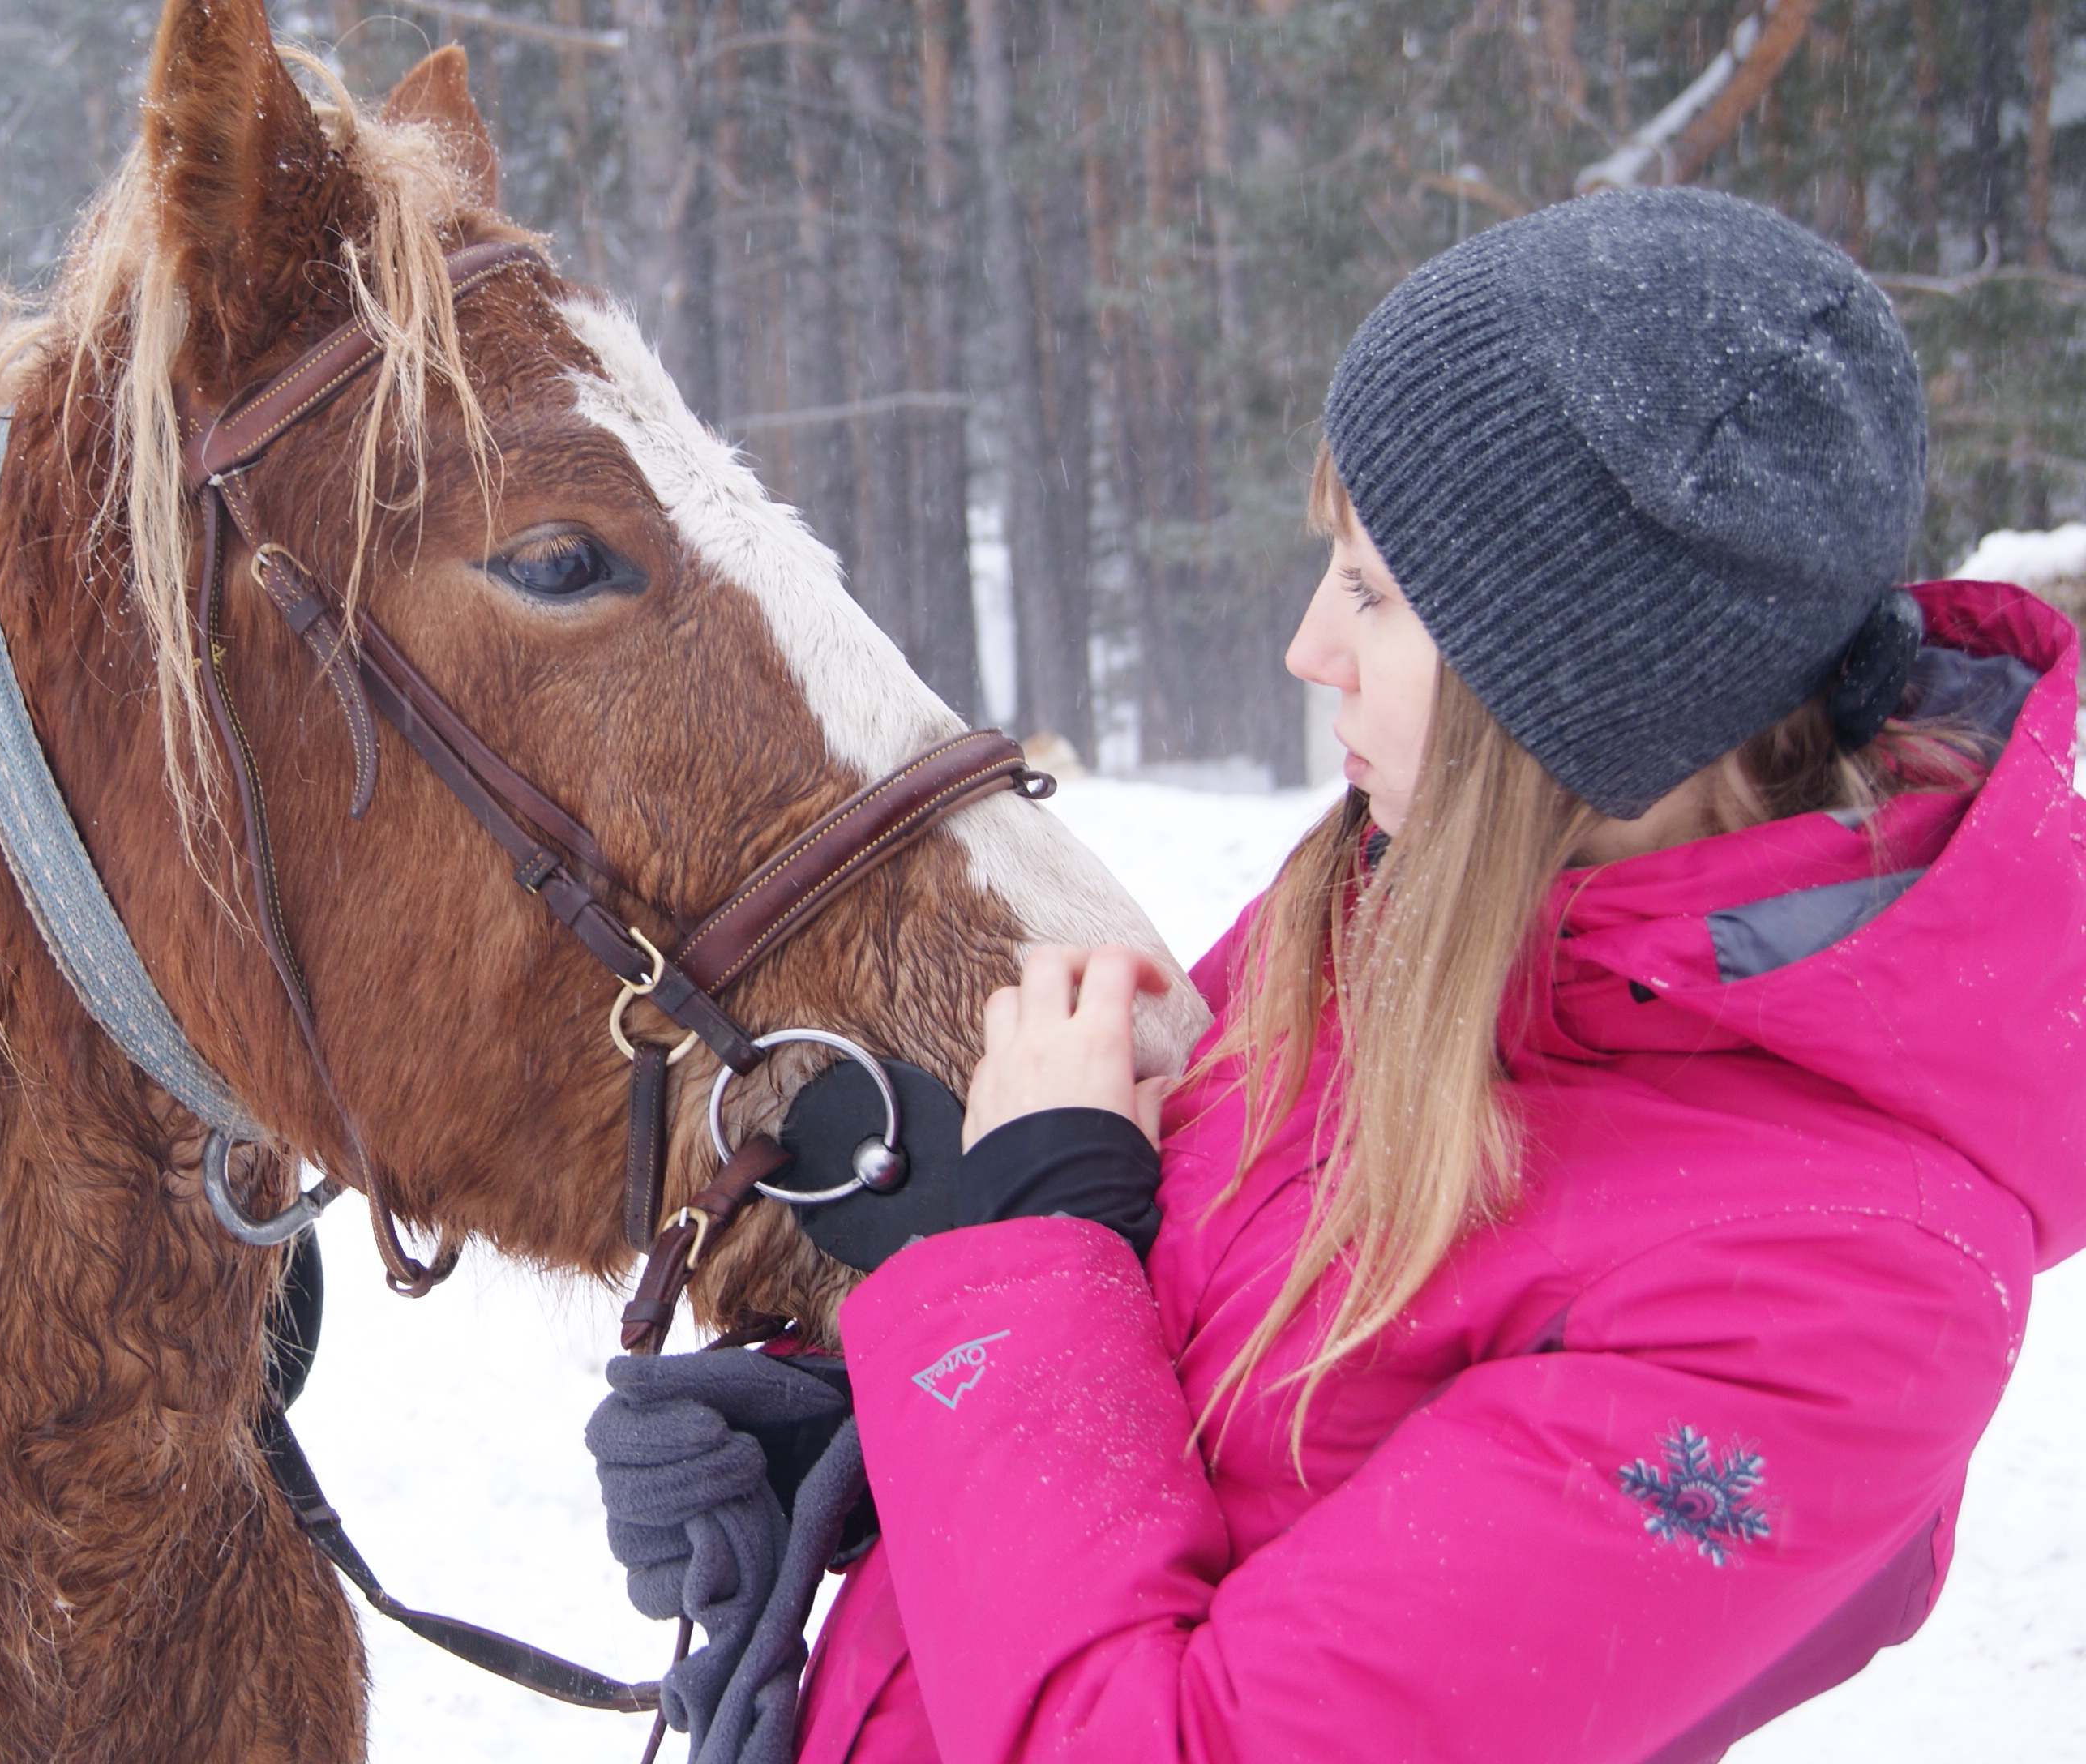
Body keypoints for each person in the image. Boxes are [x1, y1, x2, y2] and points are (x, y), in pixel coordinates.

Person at [588, 186, 2086, 1764]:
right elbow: (1175, 1382)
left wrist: (1019, 1255)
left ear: (1577, 685)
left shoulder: (1830, 1300)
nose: (1308, 644)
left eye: (1375, 590)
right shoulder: (1422, 896)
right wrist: (868, 1415)